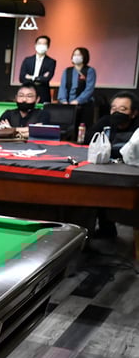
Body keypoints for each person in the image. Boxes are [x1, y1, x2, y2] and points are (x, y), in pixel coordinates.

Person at [86, 91, 139, 238]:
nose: (116, 113)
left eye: (123, 109)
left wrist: (111, 149)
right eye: (114, 108)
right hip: (106, 168)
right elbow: (89, 138)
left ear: (134, 113)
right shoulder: (106, 121)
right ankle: (104, 230)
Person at [57, 47, 97, 128]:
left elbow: (89, 89)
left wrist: (78, 100)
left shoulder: (89, 70)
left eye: (79, 55)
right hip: (68, 106)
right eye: (74, 54)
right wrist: (63, 101)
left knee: (82, 127)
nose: (76, 56)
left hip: (84, 106)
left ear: (84, 56)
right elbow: (63, 87)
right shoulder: (67, 71)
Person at [19, 35, 56, 104]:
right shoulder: (27, 60)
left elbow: (46, 79)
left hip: (43, 94)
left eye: (44, 44)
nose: (41, 46)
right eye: (39, 43)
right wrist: (39, 78)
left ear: (48, 47)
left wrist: (30, 77)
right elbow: (21, 78)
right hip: (27, 93)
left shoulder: (51, 62)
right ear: (35, 45)